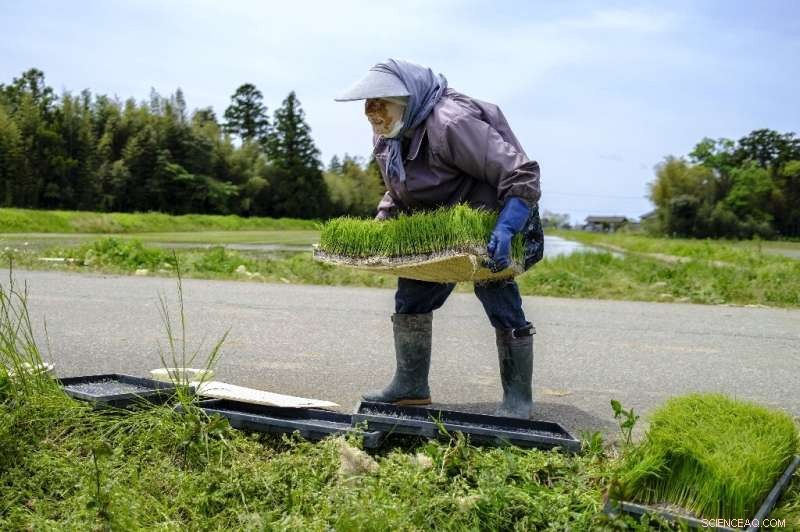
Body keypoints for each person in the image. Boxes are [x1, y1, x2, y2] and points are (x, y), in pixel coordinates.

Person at [335, 59, 542, 418]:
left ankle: (518, 397)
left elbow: (521, 173)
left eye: (382, 104)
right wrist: (382, 225)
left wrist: (507, 228)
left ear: (408, 100)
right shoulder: (387, 136)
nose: (373, 114)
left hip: (491, 219)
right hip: (438, 225)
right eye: (369, 106)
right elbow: (399, 190)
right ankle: (411, 386)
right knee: (411, 295)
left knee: (498, 295)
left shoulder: (451, 123)